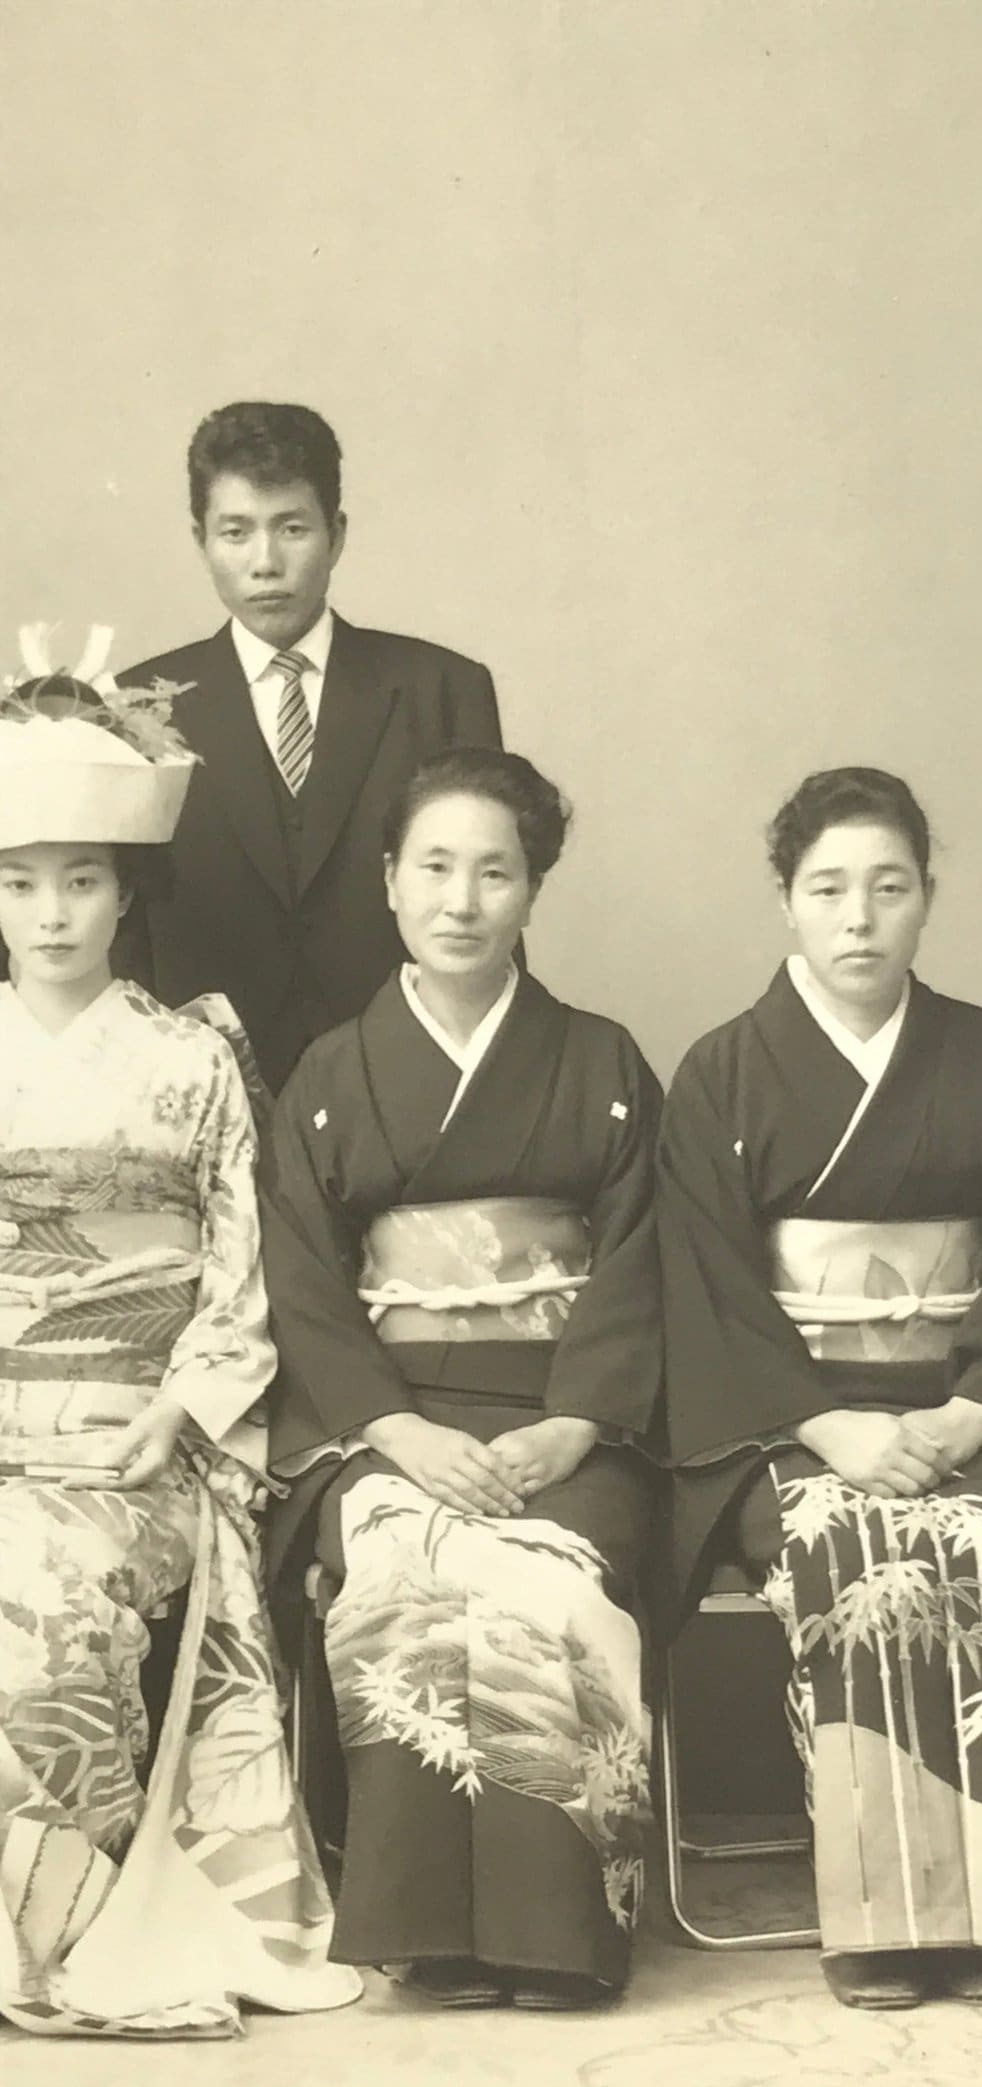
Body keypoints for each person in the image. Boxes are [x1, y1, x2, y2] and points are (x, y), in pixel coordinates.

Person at [657, 767, 982, 2012]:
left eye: (888, 888)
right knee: (848, 1550)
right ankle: (880, 1919)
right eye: (827, 890)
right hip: (793, 1426)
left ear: (926, 899)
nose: (857, 918)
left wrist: (971, 1411)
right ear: (785, 903)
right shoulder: (720, 1073)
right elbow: (702, 1282)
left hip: (967, 1409)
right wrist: (825, 1425)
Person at [0, 630, 358, 2038]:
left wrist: (183, 1410)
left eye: (82, 880)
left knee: (46, 1611)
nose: (52, 914)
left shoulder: (192, 1057)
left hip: (134, 1439)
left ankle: (62, 1938)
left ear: (125, 890)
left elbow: (242, 1271)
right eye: (20, 882)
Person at [262, 747, 660, 2010]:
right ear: (389, 881)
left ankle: (558, 1932)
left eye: (496, 872)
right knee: (403, 1575)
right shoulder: (331, 1072)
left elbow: (644, 1261)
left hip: (563, 1420)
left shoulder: (601, 1062)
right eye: (434, 867)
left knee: (550, 1582)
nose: (462, 900)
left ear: (532, 890)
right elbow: (301, 1278)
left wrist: (576, 1423)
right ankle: (422, 1924)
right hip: (392, 1422)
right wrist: (392, 1429)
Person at [117, 402, 505, 1091]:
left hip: (404, 1081)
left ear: (337, 534)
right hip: (198, 1087)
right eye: (235, 532)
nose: (266, 563)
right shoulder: (137, 706)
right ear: (201, 539)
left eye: (292, 528)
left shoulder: (442, 689)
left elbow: (491, 904)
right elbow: (120, 928)